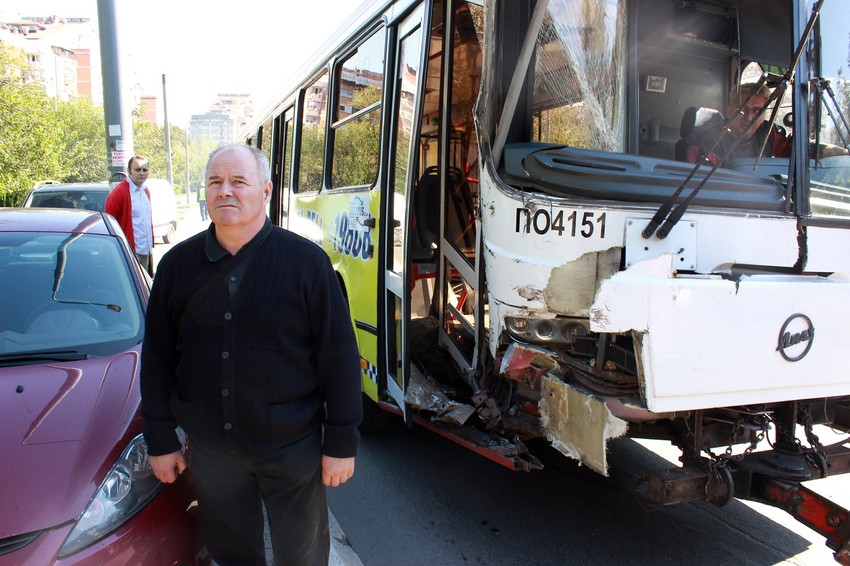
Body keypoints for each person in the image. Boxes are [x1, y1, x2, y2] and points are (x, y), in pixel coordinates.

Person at [140, 144, 363, 566]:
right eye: (215, 182)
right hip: (212, 454)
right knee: (232, 555)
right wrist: (161, 438)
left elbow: (339, 358)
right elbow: (157, 361)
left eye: (239, 182)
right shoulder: (176, 267)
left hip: (292, 450)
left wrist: (341, 441)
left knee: (302, 555)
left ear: (266, 191)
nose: (226, 191)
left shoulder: (307, 264)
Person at [683, 82, 791, 167]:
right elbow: (703, 186)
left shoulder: (768, 133)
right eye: (741, 109)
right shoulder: (707, 142)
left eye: (757, 111)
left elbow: (798, 159)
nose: (748, 118)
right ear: (729, 109)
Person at [104, 156, 154, 275]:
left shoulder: (145, 191)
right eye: (138, 169)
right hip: (129, 251)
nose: (142, 173)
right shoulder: (120, 192)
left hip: (145, 250)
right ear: (129, 171)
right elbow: (109, 222)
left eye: (144, 170)